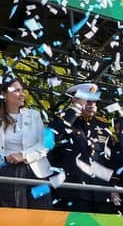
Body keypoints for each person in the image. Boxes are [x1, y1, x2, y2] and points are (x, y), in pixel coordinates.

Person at [49, 82, 111, 214]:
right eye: (87, 100)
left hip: (100, 192)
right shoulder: (64, 120)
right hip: (73, 191)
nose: (91, 104)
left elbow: (107, 159)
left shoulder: (102, 125)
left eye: (94, 101)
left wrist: (112, 187)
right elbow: (51, 140)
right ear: (75, 100)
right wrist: (75, 110)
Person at [0, 75, 50, 209]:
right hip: (8, 173)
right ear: (4, 94)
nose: (21, 94)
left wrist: (24, 155)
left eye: (22, 90)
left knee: (42, 213)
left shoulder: (34, 115)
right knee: (15, 212)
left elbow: (45, 144)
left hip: (38, 172)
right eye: (16, 91)